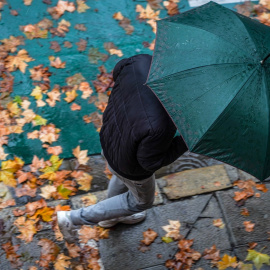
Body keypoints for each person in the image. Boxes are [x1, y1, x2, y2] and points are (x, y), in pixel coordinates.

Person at [57, 54, 188, 243]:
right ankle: (73, 219)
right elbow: (150, 162)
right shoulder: (162, 123)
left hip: (110, 136)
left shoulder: (142, 62)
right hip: (130, 165)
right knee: (140, 201)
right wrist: (184, 141)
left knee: (119, 177)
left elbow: (118, 71)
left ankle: (110, 217)